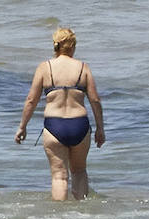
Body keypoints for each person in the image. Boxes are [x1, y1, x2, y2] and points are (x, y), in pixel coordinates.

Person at [14, 27, 106, 201]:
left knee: (59, 176)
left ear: (55, 46)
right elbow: (95, 100)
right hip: (79, 125)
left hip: (54, 126)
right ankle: (82, 213)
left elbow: (31, 100)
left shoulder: (44, 67)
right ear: (72, 46)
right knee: (79, 172)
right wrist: (100, 129)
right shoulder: (83, 68)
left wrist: (22, 127)